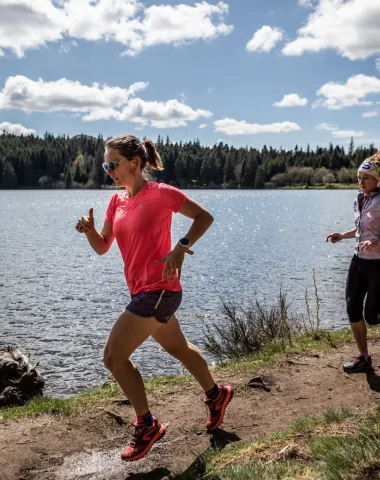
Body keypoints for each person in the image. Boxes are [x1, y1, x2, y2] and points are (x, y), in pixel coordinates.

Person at [75, 135, 233, 462]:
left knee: (113, 357)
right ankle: (217, 395)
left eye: (113, 164)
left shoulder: (161, 194)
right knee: (178, 348)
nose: (108, 170)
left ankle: (147, 425)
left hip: (159, 291)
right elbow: (103, 246)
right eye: (106, 164)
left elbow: (204, 217)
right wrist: (90, 231)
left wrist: (181, 246)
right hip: (143, 290)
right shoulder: (116, 202)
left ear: (134, 163)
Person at [326, 151, 380, 373]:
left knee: (373, 315)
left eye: (366, 178)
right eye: (359, 178)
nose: (361, 182)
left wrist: (378, 243)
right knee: (352, 309)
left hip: (378, 264)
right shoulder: (359, 198)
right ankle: (364, 358)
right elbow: (361, 230)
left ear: (378, 179)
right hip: (359, 260)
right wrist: (343, 235)